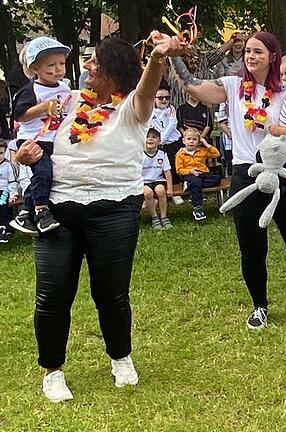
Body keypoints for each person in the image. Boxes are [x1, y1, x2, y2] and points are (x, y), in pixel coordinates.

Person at [13, 32, 186, 403]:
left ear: (115, 72)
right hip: (57, 211)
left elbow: (146, 86)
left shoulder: (133, 109)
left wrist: (156, 57)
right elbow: (36, 142)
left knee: (111, 293)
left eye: (95, 62)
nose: (87, 67)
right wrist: (24, 157)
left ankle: (120, 357)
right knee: (52, 295)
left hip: (114, 210)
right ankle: (52, 371)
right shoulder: (70, 100)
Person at [170, 32, 286, 329]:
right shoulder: (234, 86)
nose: (250, 56)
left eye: (258, 52)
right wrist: (172, 54)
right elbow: (193, 86)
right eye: (248, 51)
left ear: (273, 56)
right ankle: (260, 306)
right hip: (246, 173)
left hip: (284, 172)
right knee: (252, 249)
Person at [9, 36, 71, 235]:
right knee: (43, 173)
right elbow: (20, 116)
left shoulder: (65, 88)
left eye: (61, 63)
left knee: (45, 175)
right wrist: (43, 108)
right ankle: (42, 212)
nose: (57, 69)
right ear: (35, 68)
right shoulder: (31, 90)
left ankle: (25, 213)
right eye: (50, 66)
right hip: (32, 140)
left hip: (53, 140)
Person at [175, 128, 221, 221]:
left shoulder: (202, 151)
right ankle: (198, 208)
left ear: (199, 141)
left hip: (202, 174)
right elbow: (179, 170)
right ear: (184, 141)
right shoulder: (180, 154)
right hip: (189, 174)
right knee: (196, 182)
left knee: (217, 179)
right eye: (189, 139)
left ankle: (190, 186)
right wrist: (190, 171)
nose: (191, 141)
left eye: (194, 139)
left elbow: (216, 154)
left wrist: (206, 144)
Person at [142, 128, 173, 229]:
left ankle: (164, 217)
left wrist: (170, 188)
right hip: (143, 181)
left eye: (154, 137)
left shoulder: (162, 154)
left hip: (157, 179)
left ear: (159, 141)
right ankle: (154, 218)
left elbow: (167, 172)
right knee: (148, 193)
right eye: (147, 137)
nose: (150, 139)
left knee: (160, 190)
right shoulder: (139, 154)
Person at [0, 139, 18, 243]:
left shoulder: (8, 166)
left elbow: (13, 181)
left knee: (1, 204)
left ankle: (2, 229)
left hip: (4, 190)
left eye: (1, 153)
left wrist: (13, 194)